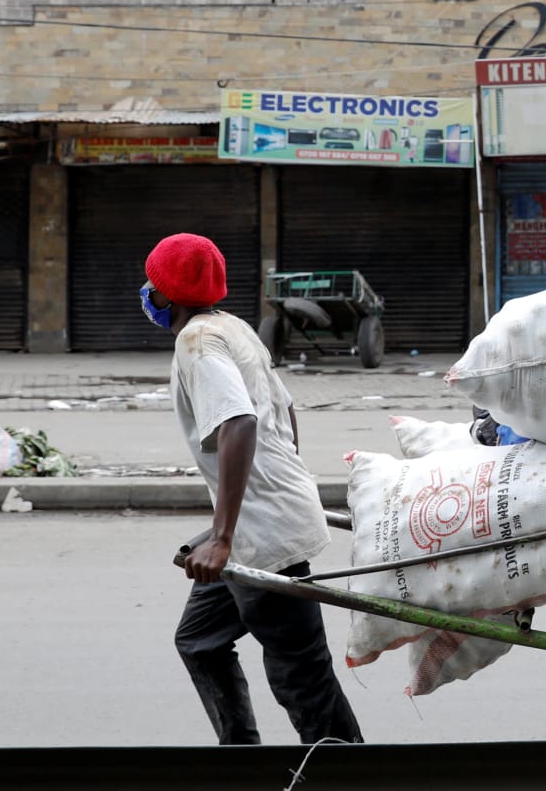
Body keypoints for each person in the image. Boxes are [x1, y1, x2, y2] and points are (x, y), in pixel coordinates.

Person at [143, 232, 364, 747]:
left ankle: (351, 777)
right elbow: (286, 410)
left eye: (151, 284)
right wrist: (279, 486)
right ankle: (239, 752)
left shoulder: (196, 342)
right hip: (260, 518)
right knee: (199, 640)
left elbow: (239, 421)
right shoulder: (233, 327)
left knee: (301, 675)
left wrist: (222, 536)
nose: (147, 293)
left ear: (164, 294)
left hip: (260, 535)